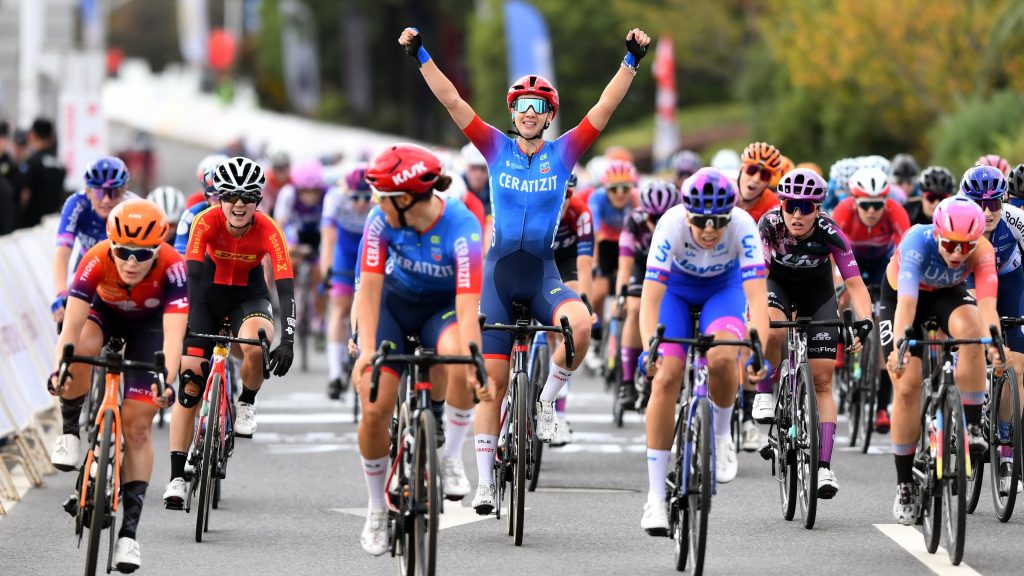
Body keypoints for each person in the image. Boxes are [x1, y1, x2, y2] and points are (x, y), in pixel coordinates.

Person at [397, 24, 649, 515]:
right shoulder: (495, 148)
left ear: (550, 116)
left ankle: (547, 400)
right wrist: (421, 53)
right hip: (497, 274)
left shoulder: (564, 153)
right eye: (522, 107)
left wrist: (631, 60)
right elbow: (452, 102)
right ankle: (486, 483)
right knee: (488, 383)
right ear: (512, 113)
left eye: (539, 108)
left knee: (580, 325)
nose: (529, 114)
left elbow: (605, 108)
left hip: (540, 274)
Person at [351, 144, 483, 555]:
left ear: (406, 199)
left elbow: (466, 305)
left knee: (459, 362)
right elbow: (369, 289)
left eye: (381, 196)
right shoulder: (380, 220)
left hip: (441, 311)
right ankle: (376, 507)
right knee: (375, 404)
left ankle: (451, 456)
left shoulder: (463, 226)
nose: (375, 204)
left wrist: (475, 359)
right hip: (394, 306)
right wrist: (368, 349)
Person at [48, 199, 184, 572]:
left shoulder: (174, 269)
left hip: (150, 329)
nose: (131, 262)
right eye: (123, 252)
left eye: (142, 255)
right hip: (103, 315)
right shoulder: (96, 258)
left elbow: (174, 338)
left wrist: (165, 381)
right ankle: (71, 432)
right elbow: (71, 328)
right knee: (81, 351)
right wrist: (61, 368)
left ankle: (128, 536)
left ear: (158, 248)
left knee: (138, 428)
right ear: (111, 246)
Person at [639, 167, 770, 534]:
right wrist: (651, 348)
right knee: (665, 378)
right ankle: (655, 498)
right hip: (675, 293)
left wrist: (756, 349)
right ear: (687, 214)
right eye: (701, 221)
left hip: (722, 291)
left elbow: (757, 298)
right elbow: (650, 301)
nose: (710, 230)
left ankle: (723, 434)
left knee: (725, 356)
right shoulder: (670, 226)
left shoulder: (744, 225)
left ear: (730, 214)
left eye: (718, 221)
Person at [162, 157, 296, 508]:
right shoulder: (204, 221)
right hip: (205, 295)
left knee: (256, 345)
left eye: (248, 196)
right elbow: (190, 275)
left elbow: (285, 286)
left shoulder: (269, 229)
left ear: (258, 200)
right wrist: (187, 322)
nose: (239, 204)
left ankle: (247, 403)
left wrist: (290, 338)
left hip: (247, 297)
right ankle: (176, 476)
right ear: (219, 198)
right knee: (189, 384)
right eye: (231, 196)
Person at [754, 168, 874, 500]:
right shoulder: (769, 226)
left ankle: (823, 466)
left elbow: (854, 285)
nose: (796, 214)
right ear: (781, 204)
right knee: (773, 329)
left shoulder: (831, 232)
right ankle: (765, 390)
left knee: (822, 380)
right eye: (790, 205)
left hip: (817, 292)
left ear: (818, 209)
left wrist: (865, 321)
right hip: (776, 285)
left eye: (805, 208)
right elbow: (756, 278)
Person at [883, 196, 1003, 525]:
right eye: (950, 244)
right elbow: (906, 307)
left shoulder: (982, 251)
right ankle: (905, 483)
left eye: (966, 246)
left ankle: (972, 425)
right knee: (906, 386)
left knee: (973, 333)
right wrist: (900, 348)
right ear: (938, 235)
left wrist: (995, 343)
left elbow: (988, 306)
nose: (956, 253)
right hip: (903, 297)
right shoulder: (917, 243)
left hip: (947, 294)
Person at [959, 166, 1024, 495]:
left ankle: (1006, 445)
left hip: (1009, 282)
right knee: (967, 346)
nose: (988, 212)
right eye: (979, 203)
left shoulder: (1014, 219)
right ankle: (962, 414)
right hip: (967, 284)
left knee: (1019, 363)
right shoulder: (953, 217)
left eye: (995, 203)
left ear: (1005, 200)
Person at [831, 167, 910, 432]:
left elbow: (905, 249)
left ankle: (879, 408)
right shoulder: (842, 212)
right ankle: (841, 344)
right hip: (850, 260)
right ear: (855, 202)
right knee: (842, 298)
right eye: (866, 205)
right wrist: (839, 282)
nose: (872, 210)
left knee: (880, 324)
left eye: (878, 204)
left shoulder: (895, 213)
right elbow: (832, 252)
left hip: (882, 264)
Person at [615, 179, 678, 411]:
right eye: (653, 218)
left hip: (672, 266)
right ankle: (627, 383)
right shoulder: (634, 220)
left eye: (662, 217)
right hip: (642, 266)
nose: (657, 223)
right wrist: (621, 295)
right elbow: (625, 265)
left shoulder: (679, 220)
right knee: (634, 309)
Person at [52, 157, 133, 325]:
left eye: (114, 192)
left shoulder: (135, 207)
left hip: (125, 271)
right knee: (66, 318)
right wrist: (61, 292)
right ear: (88, 191)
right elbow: (62, 252)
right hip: (88, 266)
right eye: (99, 192)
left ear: (125, 190)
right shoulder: (76, 204)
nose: (106, 200)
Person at [549, 172, 596, 444]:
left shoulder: (581, 213)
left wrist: (585, 302)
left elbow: (585, 263)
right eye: (558, 194)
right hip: (535, 262)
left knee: (570, 322)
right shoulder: (536, 205)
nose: (563, 201)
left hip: (565, 262)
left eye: (568, 195)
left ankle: (560, 414)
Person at [321, 165, 373, 400]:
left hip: (370, 247)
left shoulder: (378, 201)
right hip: (345, 249)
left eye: (366, 197)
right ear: (346, 193)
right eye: (355, 197)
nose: (361, 203)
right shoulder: (334, 198)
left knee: (366, 305)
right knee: (340, 309)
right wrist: (326, 272)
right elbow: (328, 240)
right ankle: (334, 374)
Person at [587, 159, 638, 370]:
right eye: (613, 189)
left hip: (629, 244)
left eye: (624, 188)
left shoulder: (635, 200)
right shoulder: (597, 198)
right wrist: (595, 264)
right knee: (599, 292)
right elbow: (595, 235)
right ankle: (596, 336)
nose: (619, 193)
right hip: (605, 243)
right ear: (605, 189)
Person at [18, 117, 66, 228]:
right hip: (52, 224)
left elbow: (25, 195)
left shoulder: (31, 162)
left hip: (30, 225)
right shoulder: (59, 165)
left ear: (32, 135)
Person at [736, 141, 782, 224]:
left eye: (764, 175)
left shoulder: (772, 206)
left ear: (768, 182)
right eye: (751, 170)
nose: (756, 179)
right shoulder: (722, 190)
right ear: (741, 169)